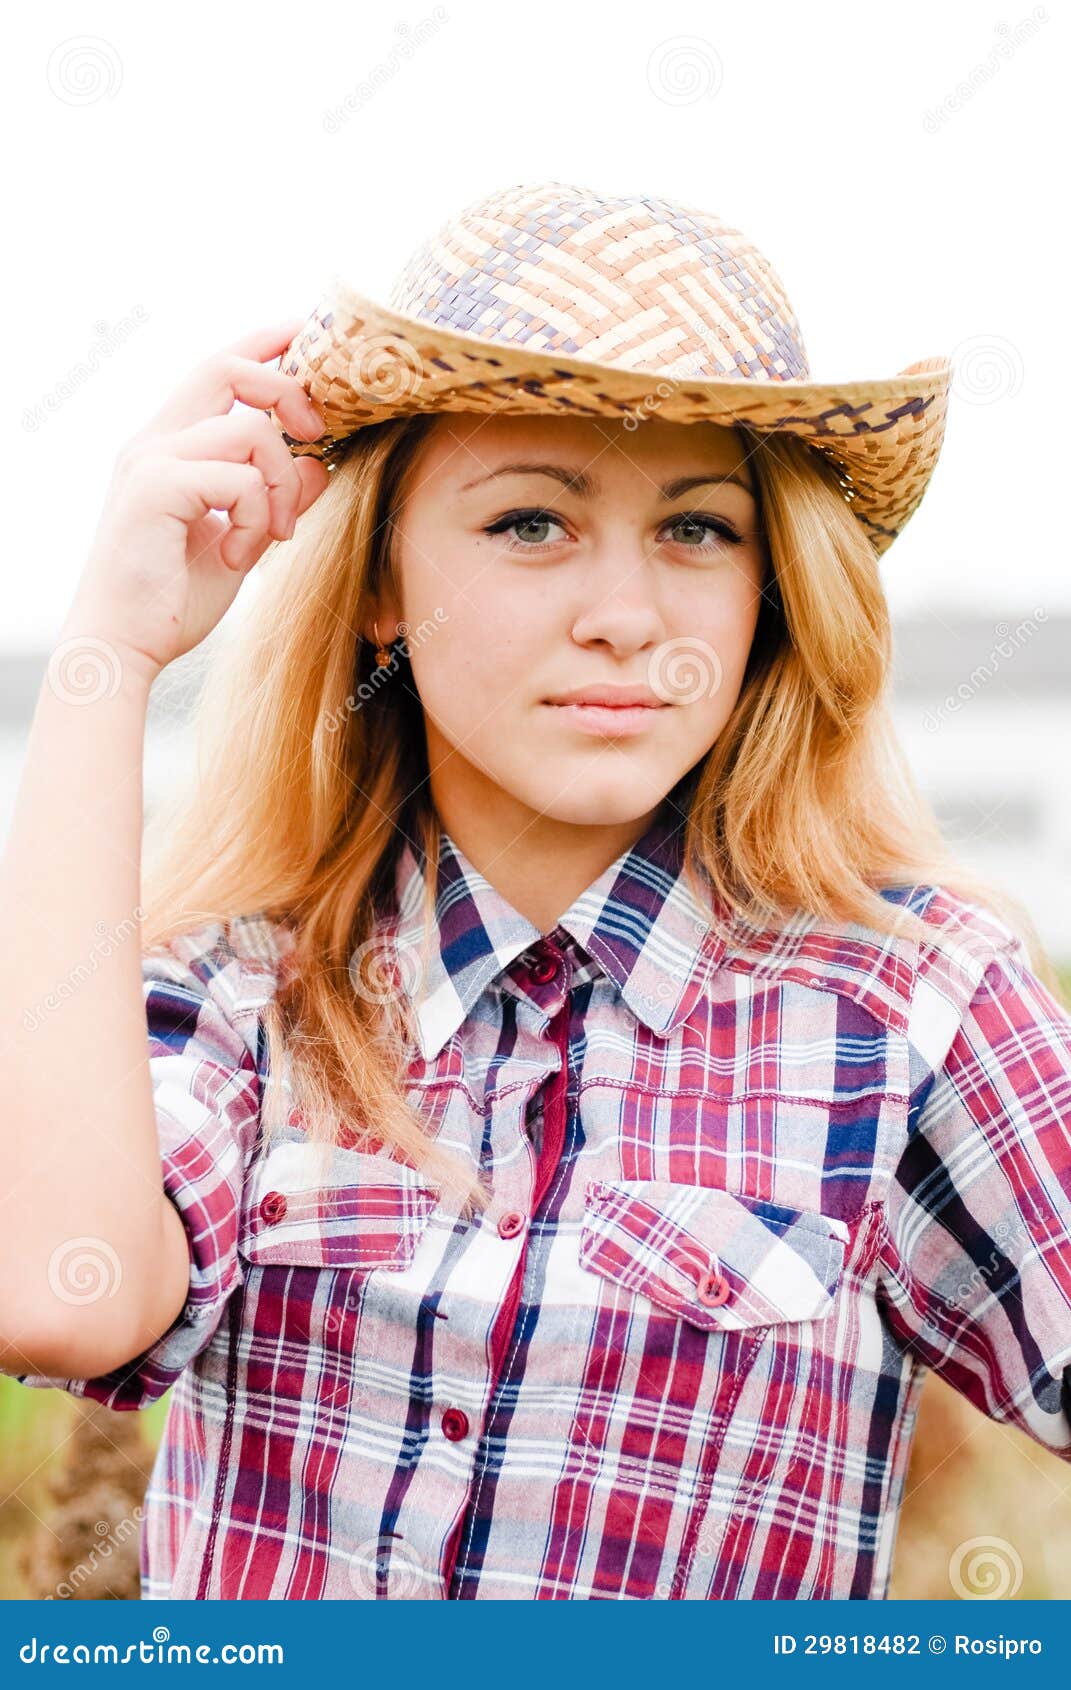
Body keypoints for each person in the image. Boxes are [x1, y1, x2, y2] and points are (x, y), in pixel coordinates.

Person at [3, 180, 1070, 1602]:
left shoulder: (916, 998)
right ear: (382, 583)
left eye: (697, 528)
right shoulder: (244, 977)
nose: (624, 612)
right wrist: (112, 652)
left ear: (771, 592)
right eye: (530, 522)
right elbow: (51, 1296)